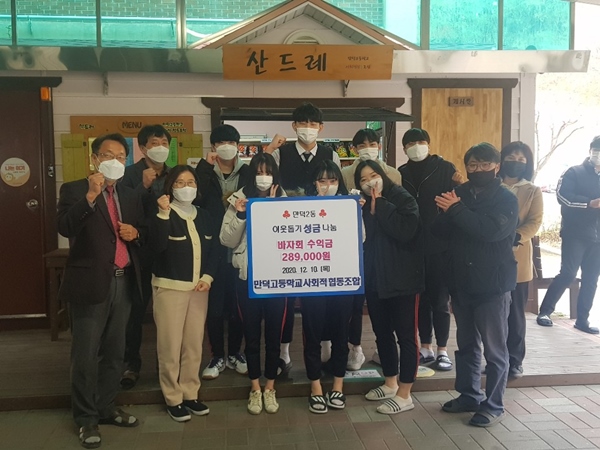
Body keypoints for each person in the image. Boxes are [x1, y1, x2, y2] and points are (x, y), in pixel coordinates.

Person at [57, 133, 145, 449]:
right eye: (108, 155)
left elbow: (141, 234)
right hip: (90, 282)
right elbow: (65, 227)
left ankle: (106, 407)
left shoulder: (130, 194)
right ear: (94, 159)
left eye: (121, 157)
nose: (115, 161)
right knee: (85, 354)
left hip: (124, 280)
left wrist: (135, 233)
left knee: (115, 351)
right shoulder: (74, 190)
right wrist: (91, 197)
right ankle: (86, 418)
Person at [432, 143, 518, 428]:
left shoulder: (506, 198)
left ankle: (493, 405)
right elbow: (440, 231)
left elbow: (489, 231)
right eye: (472, 165)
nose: (478, 169)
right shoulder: (459, 193)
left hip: (493, 285)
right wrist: (444, 212)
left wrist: (456, 210)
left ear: (496, 167)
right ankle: (469, 395)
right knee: (467, 344)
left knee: (495, 350)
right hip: (462, 282)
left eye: (484, 164)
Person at [264, 102, 341, 374]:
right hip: (289, 234)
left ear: (321, 128)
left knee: (323, 291)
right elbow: (264, 178)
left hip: (321, 233)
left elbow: (339, 191)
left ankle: (326, 346)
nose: (308, 128)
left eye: (313, 124)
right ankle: (284, 353)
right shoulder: (281, 153)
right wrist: (269, 150)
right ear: (294, 126)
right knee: (286, 295)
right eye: (302, 123)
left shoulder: (331, 154)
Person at [220, 152, 287, 415]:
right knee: (251, 335)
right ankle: (255, 387)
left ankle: (270, 386)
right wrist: (241, 215)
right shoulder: (238, 199)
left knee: (273, 335)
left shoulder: (284, 200)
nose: (263, 177)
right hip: (247, 278)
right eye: (259, 172)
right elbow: (226, 239)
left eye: (268, 172)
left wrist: (273, 208)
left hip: (277, 279)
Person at [151, 165, 218, 422]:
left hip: (200, 289)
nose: (186, 187)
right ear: (170, 187)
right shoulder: (162, 213)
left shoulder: (205, 215)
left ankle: (191, 393)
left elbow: (214, 250)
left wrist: (208, 276)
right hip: (170, 289)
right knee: (169, 346)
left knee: (193, 344)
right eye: (180, 183)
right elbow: (155, 247)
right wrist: (162, 214)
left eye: (191, 182)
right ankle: (173, 397)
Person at [357, 160, 424, 415]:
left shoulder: (402, 198)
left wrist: (381, 205)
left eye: (373, 175)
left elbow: (406, 231)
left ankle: (405, 393)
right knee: (382, 333)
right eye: (363, 180)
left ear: (384, 175)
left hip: (403, 280)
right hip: (376, 280)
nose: (370, 182)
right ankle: (390, 382)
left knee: (406, 337)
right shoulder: (362, 204)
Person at [399, 128, 464, 372]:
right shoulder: (401, 173)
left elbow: (457, 199)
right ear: (404, 149)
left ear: (428, 144)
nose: (416, 147)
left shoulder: (445, 169)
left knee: (440, 299)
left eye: (420, 141)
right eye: (410, 143)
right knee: (421, 299)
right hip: (412, 246)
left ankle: (442, 350)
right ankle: (425, 346)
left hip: (440, 245)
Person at [339, 128, 402, 370]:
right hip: (354, 244)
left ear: (379, 145)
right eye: (362, 144)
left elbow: (397, 208)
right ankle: (354, 347)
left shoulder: (393, 174)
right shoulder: (345, 173)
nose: (368, 148)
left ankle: (382, 346)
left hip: (384, 243)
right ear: (355, 149)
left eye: (372, 143)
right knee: (355, 300)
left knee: (384, 298)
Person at [196, 124, 249, 380]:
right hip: (212, 248)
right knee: (215, 309)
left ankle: (235, 353)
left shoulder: (248, 172)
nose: (226, 147)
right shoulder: (204, 172)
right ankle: (217, 355)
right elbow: (196, 198)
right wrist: (205, 168)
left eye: (231, 142)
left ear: (238, 146)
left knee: (237, 307)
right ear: (213, 146)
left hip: (240, 246)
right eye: (221, 143)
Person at [301, 160, 355, 413]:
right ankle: (315, 387)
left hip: (342, 279)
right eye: (322, 181)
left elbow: (361, 238)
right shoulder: (302, 207)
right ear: (314, 183)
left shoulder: (349, 205)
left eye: (332, 181)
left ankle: (338, 386)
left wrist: (356, 212)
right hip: (312, 281)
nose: (327, 185)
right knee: (311, 334)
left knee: (341, 335)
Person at [120, 124, 172, 389]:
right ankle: (131, 364)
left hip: (168, 250)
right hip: (138, 251)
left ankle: (167, 366)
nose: (160, 147)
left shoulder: (175, 175)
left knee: (168, 313)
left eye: (164, 143)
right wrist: (143, 186)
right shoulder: (128, 174)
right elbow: (123, 210)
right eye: (154, 143)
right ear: (142, 147)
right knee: (135, 311)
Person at [537, 136, 600, 335]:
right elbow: (563, 196)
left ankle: (582, 320)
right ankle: (545, 312)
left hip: (598, 237)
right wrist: (589, 203)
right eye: (597, 150)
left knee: (591, 278)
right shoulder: (574, 172)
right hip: (575, 233)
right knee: (568, 273)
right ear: (591, 150)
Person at [499, 142, 543, 377]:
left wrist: (515, 237)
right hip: (490, 259)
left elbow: (535, 222)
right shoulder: (491, 185)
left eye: (521, 159)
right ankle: (496, 359)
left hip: (518, 258)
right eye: (511, 157)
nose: (515, 162)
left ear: (527, 164)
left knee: (515, 314)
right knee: (493, 314)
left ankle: (514, 361)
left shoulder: (532, 190)